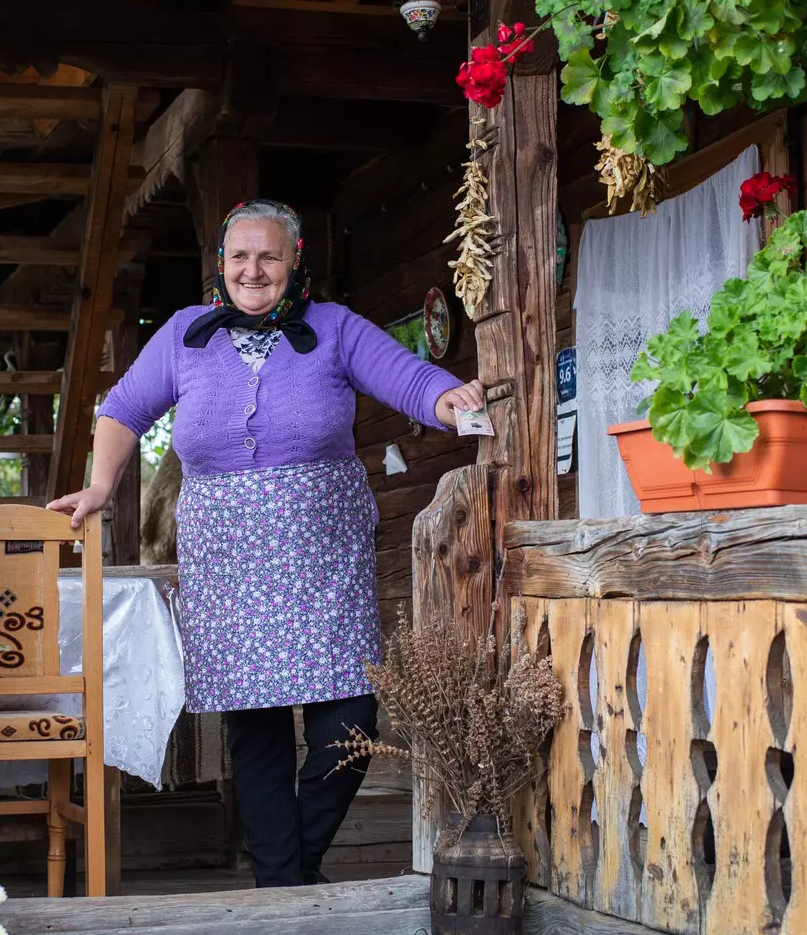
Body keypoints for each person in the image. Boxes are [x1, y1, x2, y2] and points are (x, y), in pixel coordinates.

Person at [50, 199, 485, 887]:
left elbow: (410, 380)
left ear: (294, 260)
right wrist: (101, 487)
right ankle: (283, 883)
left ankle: (293, 859)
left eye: (269, 256)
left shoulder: (334, 327)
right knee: (256, 730)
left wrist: (453, 401)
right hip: (227, 559)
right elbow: (123, 408)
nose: (253, 270)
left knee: (351, 710)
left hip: (324, 559)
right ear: (221, 266)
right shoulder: (184, 334)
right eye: (239, 257)